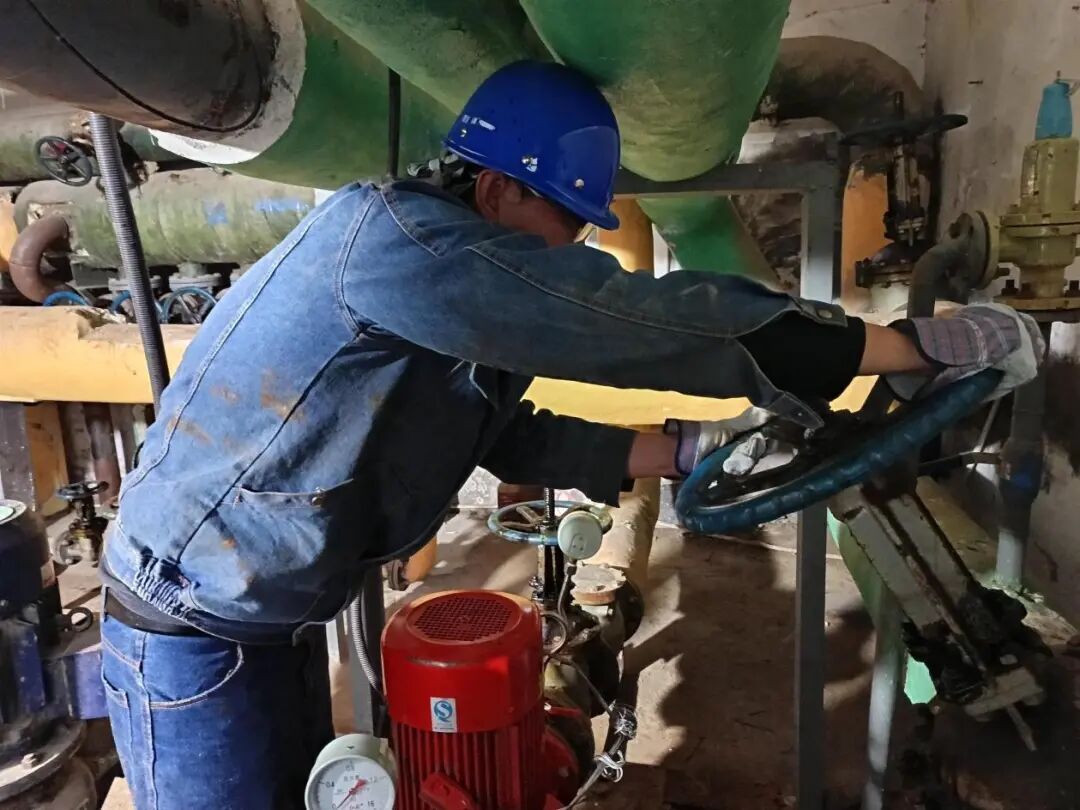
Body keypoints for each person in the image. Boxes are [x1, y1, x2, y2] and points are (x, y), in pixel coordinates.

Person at [99, 60, 1041, 809]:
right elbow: (634, 320)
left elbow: (510, 438)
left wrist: (688, 453)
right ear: (496, 189)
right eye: (566, 223)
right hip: (192, 620)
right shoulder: (397, 245)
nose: (573, 248)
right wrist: (901, 345)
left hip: (262, 611)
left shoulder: (444, 281)